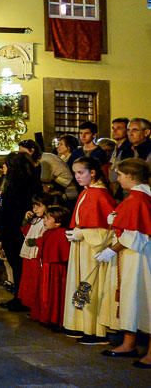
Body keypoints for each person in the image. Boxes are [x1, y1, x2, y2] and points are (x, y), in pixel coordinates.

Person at [96, 158, 151, 368]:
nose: (117, 179)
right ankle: (129, 343)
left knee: (145, 297)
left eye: (119, 175)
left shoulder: (138, 200)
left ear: (130, 176)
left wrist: (111, 250)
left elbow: (134, 234)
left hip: (140, 259)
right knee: (131, 297)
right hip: (132, 258)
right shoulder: (136, 197)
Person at [62, 157, 116, 345]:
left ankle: (95, 330)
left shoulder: (100, 194)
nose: (77, 176)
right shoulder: (88, 192)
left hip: (92, 250)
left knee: (90, 285)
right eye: (75, 173)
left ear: (92, 172)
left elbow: (109, 231)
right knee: (83, 285)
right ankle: (81, 325)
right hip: (82, 247)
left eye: (81, 172)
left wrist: (83, 233)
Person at [0, 152, 41, 311]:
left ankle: (21, 298)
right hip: (11, 227)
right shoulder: (15, 182)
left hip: (13, 228)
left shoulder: (16, 185)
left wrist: (0, 222)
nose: (3, 167)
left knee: (17, 263)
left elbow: (8, 207)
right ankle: (20, 296)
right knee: (16, 264)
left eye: (6, 164)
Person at [30, 206, 71, 330]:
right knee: (46, 293)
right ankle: (45, 316)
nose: (44, 221)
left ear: (58, 222)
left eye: (48, 219)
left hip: (56, 270)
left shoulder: (61, 234)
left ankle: (54, 318)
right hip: (47, 267)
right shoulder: (49, 232)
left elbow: (62, 253)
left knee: (55, 293)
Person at [18, 193, 54, 310]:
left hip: (36, 255)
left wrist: (35, 242)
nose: (35, 209)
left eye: (39, 206)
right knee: (28, 281)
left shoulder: (47, 221)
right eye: (34, 206)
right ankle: (30, 306)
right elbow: (25, 232)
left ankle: (37, 307)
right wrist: (26, 220)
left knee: (36, 282)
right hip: (28, 254)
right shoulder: (36, 219)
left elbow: (47, 237)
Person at [109, 117, 134, 200]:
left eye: (119, 128)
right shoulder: (116, 147)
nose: (114, 131)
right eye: (113, 128)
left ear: (127, 131)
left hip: (123, 190)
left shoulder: (129, 148)